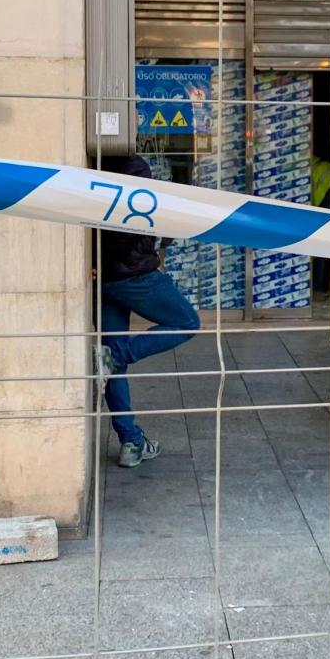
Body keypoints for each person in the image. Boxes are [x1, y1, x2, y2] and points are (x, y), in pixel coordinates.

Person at [95, 152, 202, 468]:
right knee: (187, 322)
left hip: (104, 279)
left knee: (110, 358)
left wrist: (94, 261)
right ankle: (119, 355)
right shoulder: (134, 166)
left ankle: (131, 442)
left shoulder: (88, 166)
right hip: (133, 275)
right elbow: (132, 222)